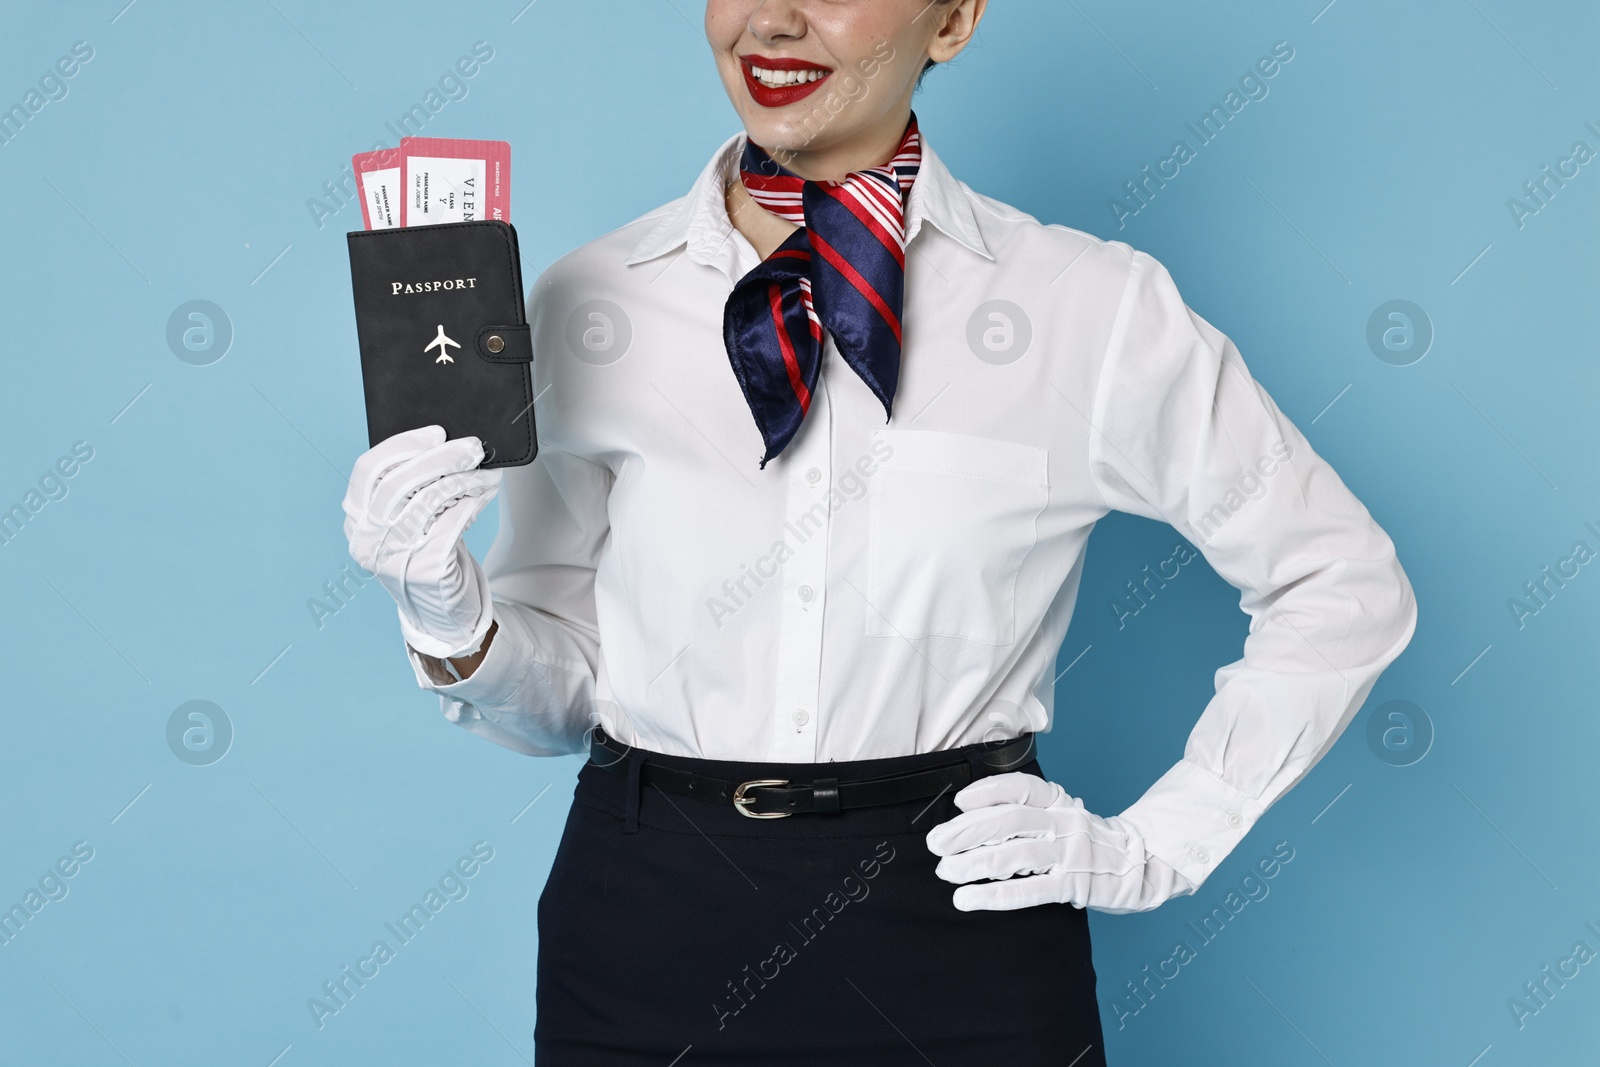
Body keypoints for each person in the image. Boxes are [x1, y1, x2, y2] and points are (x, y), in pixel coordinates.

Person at [340, 1, 1417, 1062]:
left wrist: (1158, 844)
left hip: (958, 919)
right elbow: (563, 695)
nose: (769, 20)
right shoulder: (585, 301)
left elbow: (1341, 581)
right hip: (646, 915)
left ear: (950, 22)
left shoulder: (1091, 309)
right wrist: (452, 614)